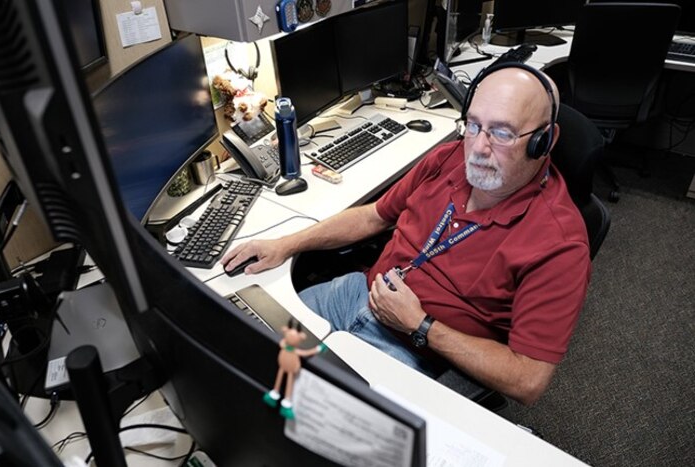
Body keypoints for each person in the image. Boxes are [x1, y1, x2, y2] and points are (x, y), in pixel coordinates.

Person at [221, 65, 591, 406]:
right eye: (473, 125)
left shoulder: (559, 244)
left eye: (501, 133)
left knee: (309, 417)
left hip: (416, 349)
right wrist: (285, 245)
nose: (478, 148)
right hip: (355, 293)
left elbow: (528, 379)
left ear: (544, 140)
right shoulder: (447, 159)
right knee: (241, 347)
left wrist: (420, 326)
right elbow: (373, 216)